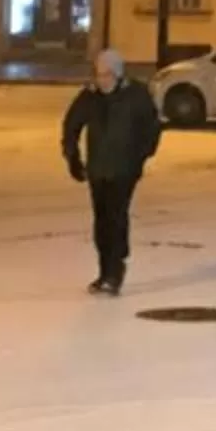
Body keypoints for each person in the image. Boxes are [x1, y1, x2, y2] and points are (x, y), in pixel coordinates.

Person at [61, 48, 163, 296]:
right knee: (101, 220)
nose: (102, 80)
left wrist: (140, 157)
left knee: (116, 216)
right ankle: (104, 270)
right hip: (98, 169)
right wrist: (73, 158)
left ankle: (115, 271)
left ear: (118, 75)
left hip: (124, 169)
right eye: (98, 74)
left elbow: (151, 127)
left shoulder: (135, 95)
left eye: (107, 75)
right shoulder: (90, 97)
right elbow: (71, 124)